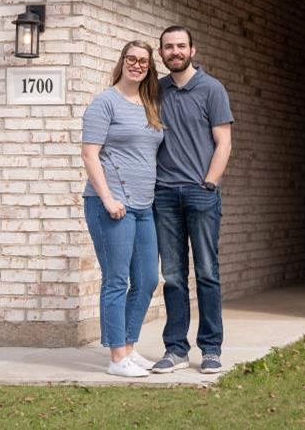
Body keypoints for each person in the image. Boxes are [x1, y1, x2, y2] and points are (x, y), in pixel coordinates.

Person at [151, 25, 233, 375]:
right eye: (168, 47)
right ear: (162, 53)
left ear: (192, 50)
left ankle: (211, 348)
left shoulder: (212, 89)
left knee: (207, 273)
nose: (175, 52)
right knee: (172, 276)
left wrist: (209, 184)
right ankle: (175, 349)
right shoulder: (156, 91)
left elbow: (224, 142)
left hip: (201, 194)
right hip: (164, 195)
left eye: (181, 46)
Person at [81, 41, 163, 378]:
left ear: (149, 67)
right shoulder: (105, 102)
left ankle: (129, 349)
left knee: (145, 280)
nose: (137, 65)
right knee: (117, 280)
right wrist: (108, 198)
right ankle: (117, 358)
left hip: (145, 206)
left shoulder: (150, 105)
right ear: (122, 61)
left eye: (143, 61)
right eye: (132, 58)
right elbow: (90, 154)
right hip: (111, 206)